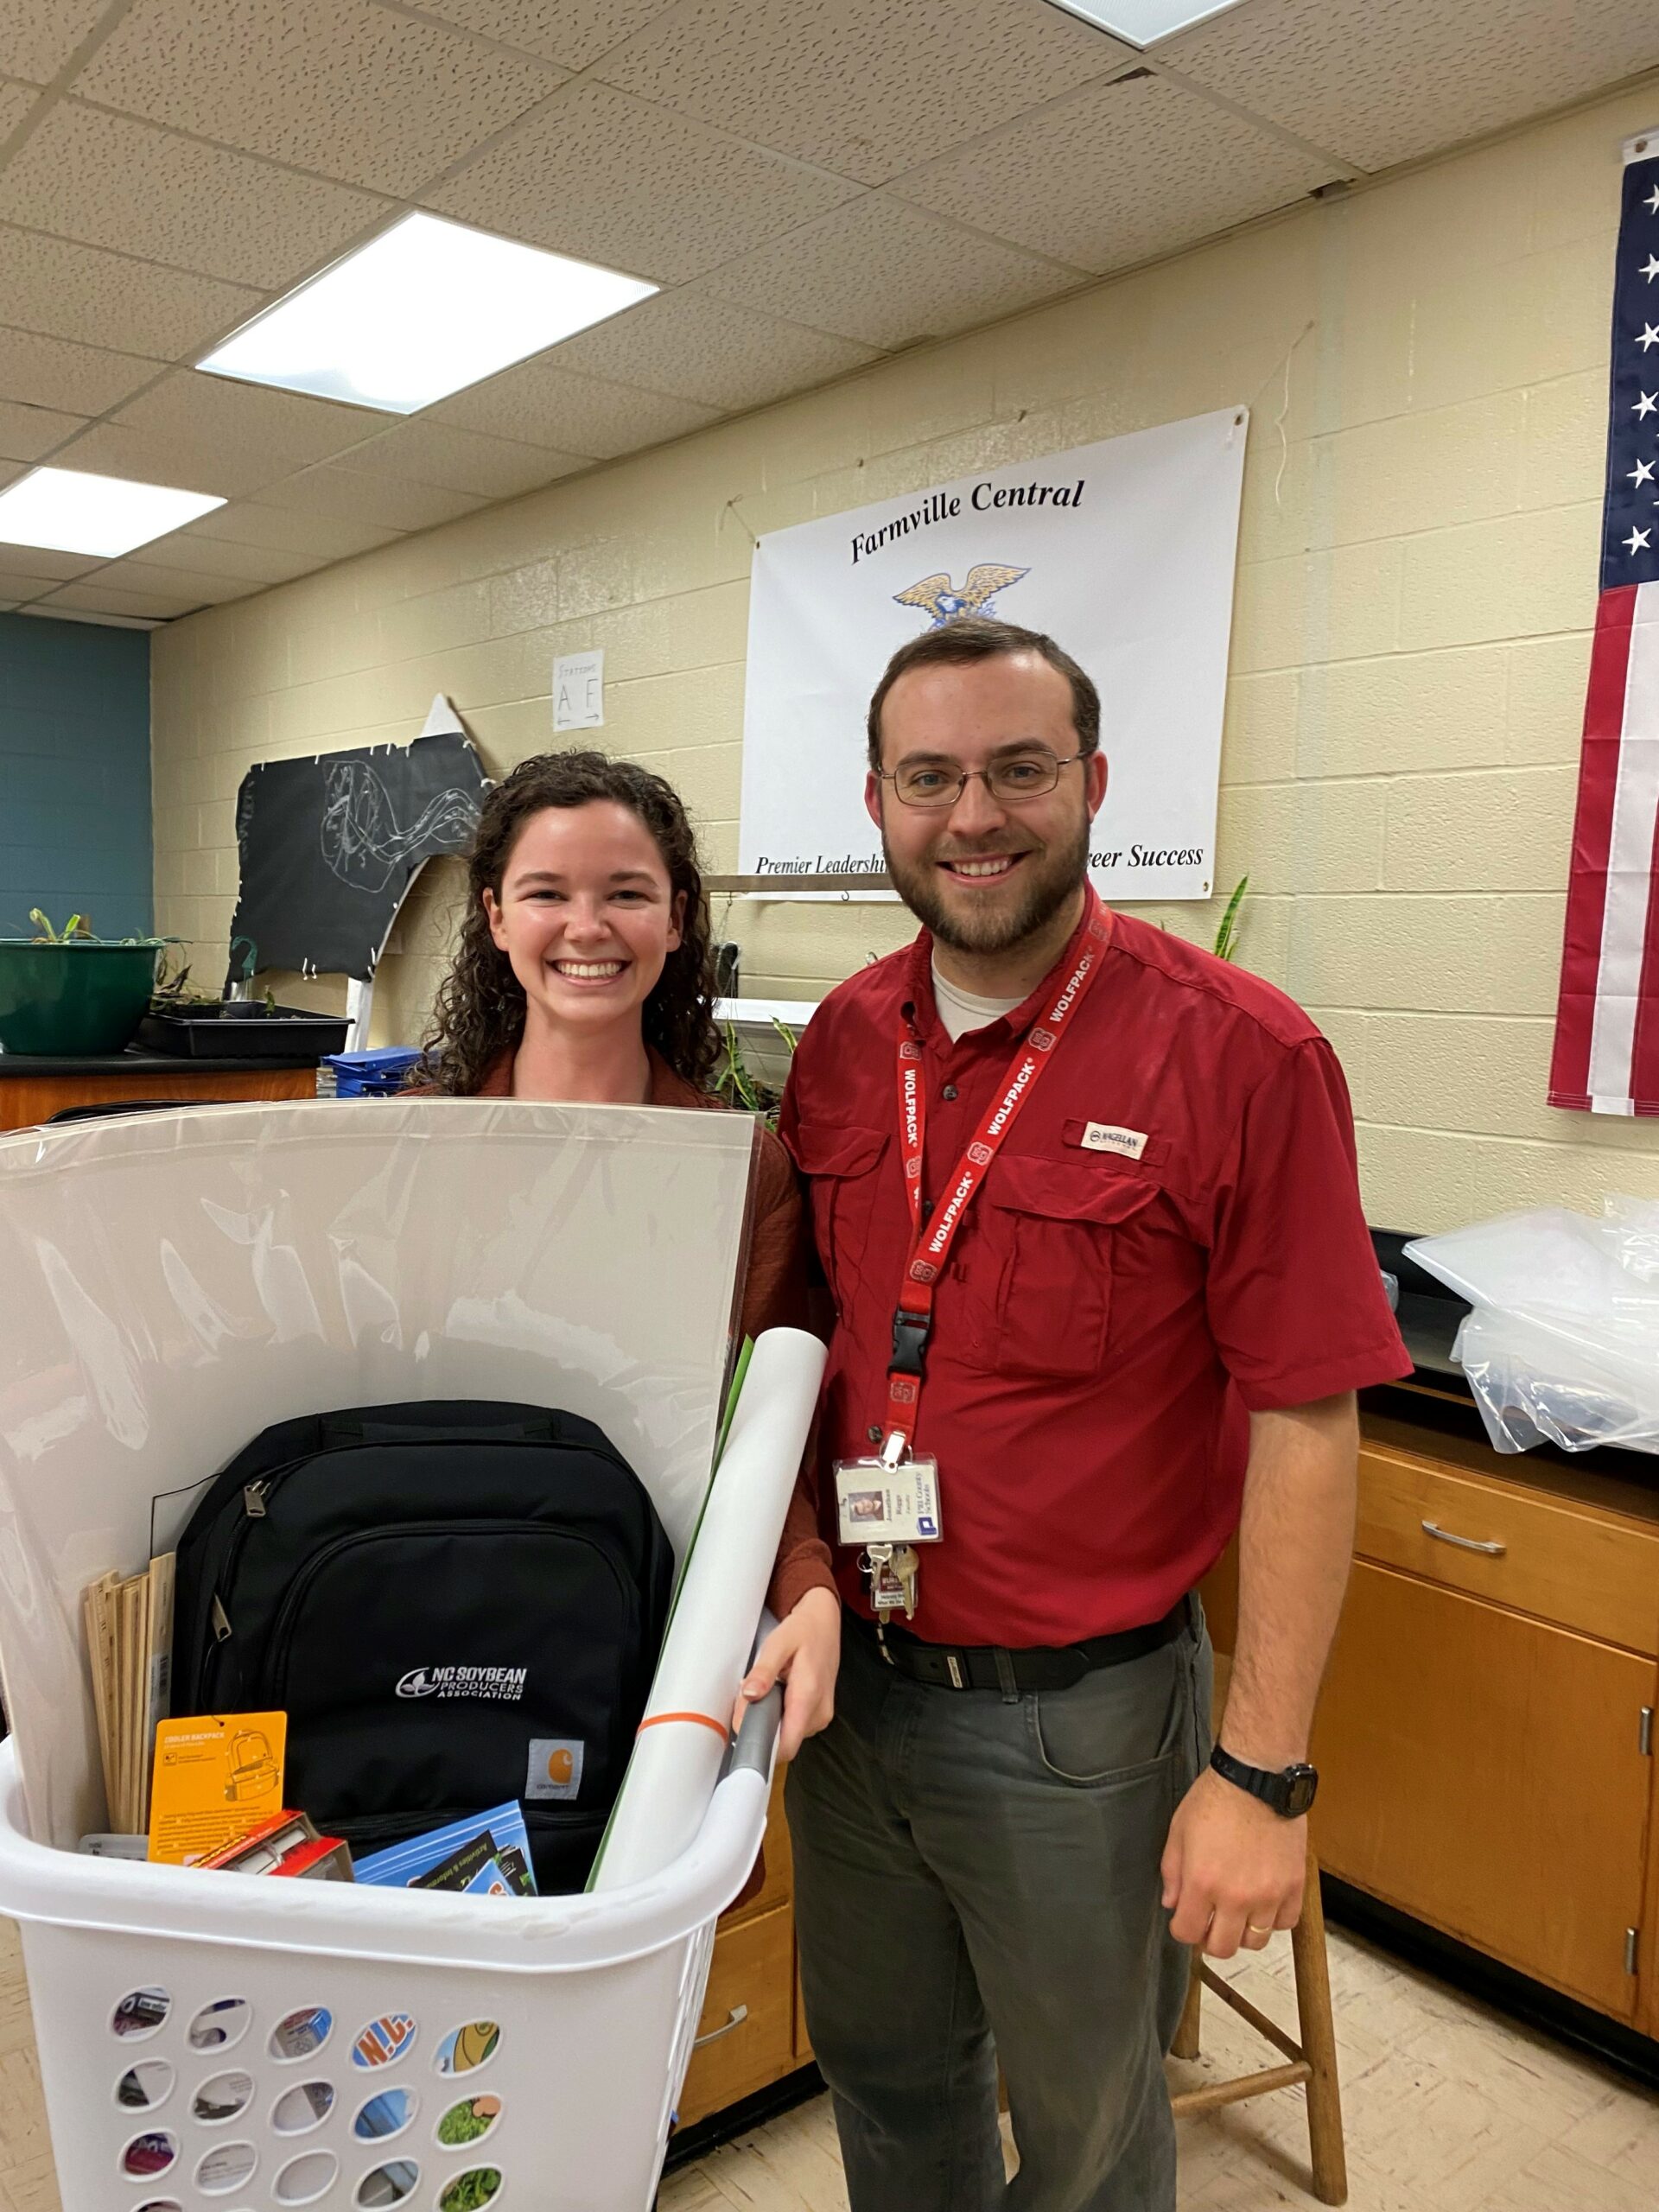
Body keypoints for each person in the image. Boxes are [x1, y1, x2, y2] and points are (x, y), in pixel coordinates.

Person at [738, 619, 1411, 2211]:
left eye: (1018, 768)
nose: (975, 814)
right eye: (931, 777)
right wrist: (799, 1582)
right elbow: (802, 1351)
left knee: (1091, 2138)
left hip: (1080, 1733)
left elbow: (1309, 1427)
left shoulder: (1242, 1054)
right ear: (878, 803)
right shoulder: (839, 1046)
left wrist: (1262, 1777)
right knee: (890, 2088)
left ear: (1094, 783)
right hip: (853, 1702)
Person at [418, 750, 841, 1758]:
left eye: (626, 894)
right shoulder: (411, 1152)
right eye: (547, 892)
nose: (588, 927)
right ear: (495, 917)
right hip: (432, 1593)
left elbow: (763, 1424)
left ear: (678, 918)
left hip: (654, 1616)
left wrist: (808, 1585)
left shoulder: (745, 1171)